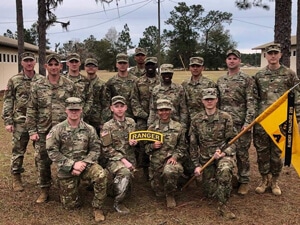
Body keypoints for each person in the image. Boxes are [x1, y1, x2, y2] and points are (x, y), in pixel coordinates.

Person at [26, 53, 78, 203]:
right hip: (43, 131)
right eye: (51, 65)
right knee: (42, 160)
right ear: (46, 67)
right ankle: (44, 189)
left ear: (61, 66)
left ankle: (69, 187)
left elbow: (76, 108)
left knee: (69, 158)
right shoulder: (37, 86)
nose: (54, 67)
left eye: (57, 65)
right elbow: (31, 109)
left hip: (65, 131)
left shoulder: (69, 85)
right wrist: (32, 131)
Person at [46, 97, 107, 222]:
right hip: (66, 168)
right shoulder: (57, 129)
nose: (74, 112)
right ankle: (75, 186)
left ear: (81, 111)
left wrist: (83, 163)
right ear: (66, 111)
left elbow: (96, 149)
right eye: (71, 109)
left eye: (77, 110)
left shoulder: (89, 129)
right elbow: (52, 151)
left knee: (101, 174)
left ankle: (97, 207)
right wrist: (72, 165)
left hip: (86, 165)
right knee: (70, 206)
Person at [253, 43, 300, 196]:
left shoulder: (289, 74)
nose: (273, 56)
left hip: (280, 122)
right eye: (270, 53)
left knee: (276, 153)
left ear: (280, 55)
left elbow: (297, 96)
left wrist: (297, 117)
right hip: (263, 122)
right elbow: (254, 98)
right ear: (266, 56)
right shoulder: (259, 76)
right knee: (262, 152)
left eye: (275, 53)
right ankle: (264, 179)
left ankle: (275, 181)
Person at [189, 88, 237, 219]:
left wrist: (224, 153)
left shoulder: (226, 118)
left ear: (217, 100)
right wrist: (197, 165)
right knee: (209, 193)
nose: (209, 101)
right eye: (206, 99)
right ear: (202, 101)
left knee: (225, 169)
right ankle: (227, 182)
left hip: (222, 156)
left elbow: (233, 142)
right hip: (206, 160)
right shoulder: (196, 119)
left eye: (212, 99)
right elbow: (193, 146)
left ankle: (223, 206)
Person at [1, 52, 43, 191]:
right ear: (22, 63)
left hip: (38, 122)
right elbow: (8, 100)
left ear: (35, 62)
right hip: (20, 121)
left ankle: (41, 177)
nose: (29, 63)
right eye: (26, 61)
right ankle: (16, 177)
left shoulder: (42, 80)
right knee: (18, 151)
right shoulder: (15, 80)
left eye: (31, 60)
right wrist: (8, 121)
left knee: (40, 152)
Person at [217, 49, 256, 195]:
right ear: (226, 61)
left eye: (234, 58)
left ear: (239, 61)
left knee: (242, 153)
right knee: (225, 150)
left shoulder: (247, 79)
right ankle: (229, 177)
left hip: (241, 124)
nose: (231, 61)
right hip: (225, 124)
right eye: (229, 58)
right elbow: (218, 103)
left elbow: (251, 102)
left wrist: (248, 122)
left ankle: (244, 180)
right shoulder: (221, 80)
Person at [145, 99, 186, 208]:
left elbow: (182, 146)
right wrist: (152, 146)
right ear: (157, 111)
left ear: (171, 110)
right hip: (156, 163)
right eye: (161, 110)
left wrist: (175, 157)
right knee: (158, 192)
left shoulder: (178, 127)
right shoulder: (152, 128)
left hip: (170, 161)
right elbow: (146, 149)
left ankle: (170, 195)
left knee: (169, 171)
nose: (164, 113)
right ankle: (168, 184)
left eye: (167, 110)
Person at [100, 95, 137, 214]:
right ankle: (118, 202)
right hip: (113, 159)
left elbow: (135, 137)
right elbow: (106, 149)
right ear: (112, 108)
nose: (119, 109)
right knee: (125, 173)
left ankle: (112, 188)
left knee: (127, 187)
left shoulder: (131, 122)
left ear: (126, 108)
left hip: (130, 158)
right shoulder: (107, 126)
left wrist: (135, 142)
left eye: (122, 106)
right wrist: (123, 160)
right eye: (116, 106)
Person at [130, 56, 160, 179]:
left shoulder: (161, 81)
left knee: (159, 143)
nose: (150, 67)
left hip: (159, 118)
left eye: (152, 65)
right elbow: (134, 101)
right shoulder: (138, 82)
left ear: (156, 66)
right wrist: (144, 115)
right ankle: (145, 170)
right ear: (145, 67)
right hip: (143, 118)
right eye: (148, 65)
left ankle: (158, 169)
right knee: (143, 145)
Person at [148, 64, 188, 130]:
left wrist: (183, 125)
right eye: (164, 74)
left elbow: (183, 109)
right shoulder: (156, 89)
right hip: (158, 125)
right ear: (161, 75)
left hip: (175, 124)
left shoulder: (179, 88)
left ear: (172, 74)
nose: (167, 76)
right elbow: (152, 109)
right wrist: (150, 124)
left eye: (169, 73)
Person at [181, 57, 217, 124]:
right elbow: (182, 104)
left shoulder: (209, 83)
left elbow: (215, 103)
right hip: (188, 120)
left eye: (198, 66)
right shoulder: (184, 84)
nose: (195, 68)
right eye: (193, 66)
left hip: (205, 120)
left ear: (202, 68)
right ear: (189, 68)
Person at [105, 53, 137, 119]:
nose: (122, 65)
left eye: (124, 63)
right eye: (120, 63)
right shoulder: (111, 82)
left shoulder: (136, 81)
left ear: (128, 64)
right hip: (116, 117)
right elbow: (107, 102)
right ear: (116, 64)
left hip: (133, 117)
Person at [84, 58, 110, 136]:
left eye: (93, 66)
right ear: (85, 68)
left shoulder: (102, 84)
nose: (91, 67)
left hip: (96, 120)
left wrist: (102, 122)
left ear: (97, 68)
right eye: (88, 65)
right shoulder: (82, 83)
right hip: (83, 119)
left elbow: (106, 105)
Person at [65, 53, 93, 120]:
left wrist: (82, 113)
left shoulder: (86, 81)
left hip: (82, 118)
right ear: (67, 63)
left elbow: (90, 100)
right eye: (71, 62)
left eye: (76, 62)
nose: (74, 64)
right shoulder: (62, 80)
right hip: (65, 117)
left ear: (80, 63)